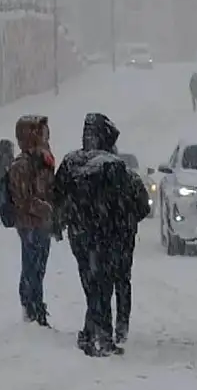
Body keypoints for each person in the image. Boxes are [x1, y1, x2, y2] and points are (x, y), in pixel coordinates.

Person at [53, 113, 150, 357]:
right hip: (105, 235)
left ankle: (91, 333)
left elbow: (57, 195)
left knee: (91, 284)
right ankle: (101, 336)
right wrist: (122, 226)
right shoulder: (114, 167)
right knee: (104, 286)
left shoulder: (71, 162)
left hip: (79, 234)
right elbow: (132, 205)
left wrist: (65, 221)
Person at [8, 115, 57, 327]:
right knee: (31, 269)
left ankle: (36, 308)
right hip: (30, 225)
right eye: (42, 133)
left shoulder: (42, 160)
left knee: (38, 269)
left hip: (41, 225)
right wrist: (46, 209)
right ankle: (31, 310)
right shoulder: (22, 164)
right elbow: (23, 200)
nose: (46, 137)